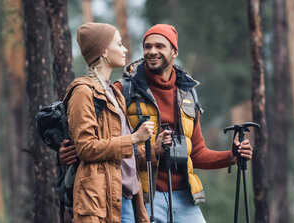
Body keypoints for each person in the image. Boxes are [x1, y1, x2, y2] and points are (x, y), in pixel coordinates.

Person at [113, 24, 254, 223]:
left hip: (185, 198)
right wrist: (154, 150)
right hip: (143, 198)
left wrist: (231, 156)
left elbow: (196, 153)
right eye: (147, 46)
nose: (152, 51)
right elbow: (111, 148)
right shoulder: (123, 90)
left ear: (174, 52)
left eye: (160, 46)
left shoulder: (188, 92)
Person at [59, 22, 153, 223]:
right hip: (101, 201)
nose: (125, 49)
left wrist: (157, 147)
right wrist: (134, 137)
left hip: (127, 197)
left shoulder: (114, 93)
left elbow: (125, 152)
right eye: (119, 44)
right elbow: (86, 148)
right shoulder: (83, 92)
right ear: (103, 52)